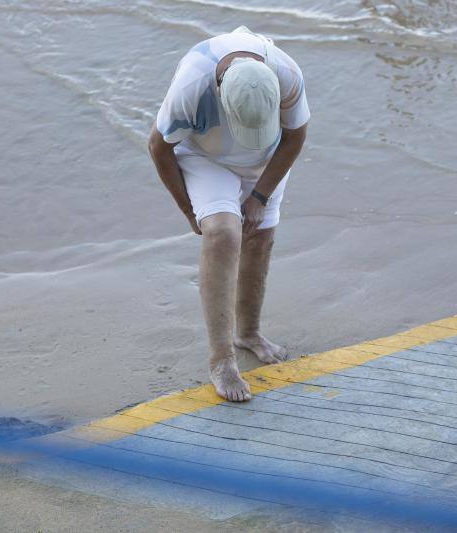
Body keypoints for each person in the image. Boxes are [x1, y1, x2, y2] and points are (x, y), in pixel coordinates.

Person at [148, 26, 309, 402]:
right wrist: (189, 210)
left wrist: (260, 196)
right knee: (223, 233)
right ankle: (222, 360)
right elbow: (158, 146)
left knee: (260, 237)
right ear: (219, 92)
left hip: (266, 157)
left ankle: (248, 332)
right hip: (205, 156)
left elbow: (296, 135)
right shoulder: (192, 85)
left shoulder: (286, 74)